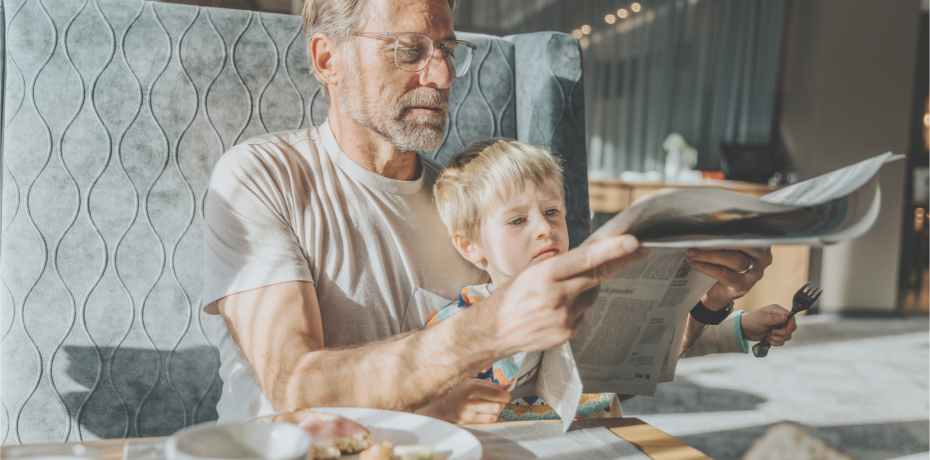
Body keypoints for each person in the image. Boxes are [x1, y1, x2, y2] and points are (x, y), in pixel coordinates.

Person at [201, 0, 792, 423]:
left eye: (448, 50)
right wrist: (488, 328)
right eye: (410, 50)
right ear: (328, 59)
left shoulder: (477, 207)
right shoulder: (263, 176)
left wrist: (710, 305)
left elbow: (574, 377)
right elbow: (293, 386)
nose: (442, 74)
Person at [411, 138, 797, 424]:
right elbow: (421, 401)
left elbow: (650, 341)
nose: (545, 228)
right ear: (471, 247)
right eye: (517, 220)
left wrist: (741, 326)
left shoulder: (592, 293)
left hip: (606, 441)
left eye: (551, 211)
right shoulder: (457, 323)